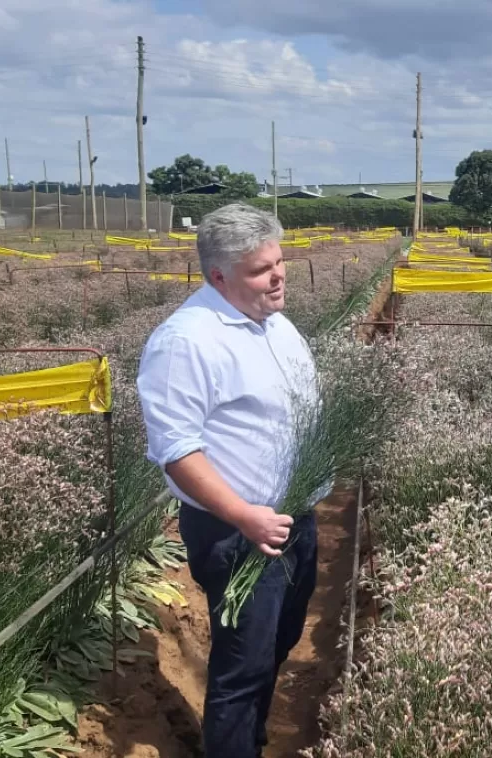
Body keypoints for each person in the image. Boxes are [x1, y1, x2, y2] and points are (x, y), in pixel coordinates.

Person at [137, 203, 323, 758]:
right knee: (241, 669)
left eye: (280, 261)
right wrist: (244, 515)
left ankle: (251, 742)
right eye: (261, 269)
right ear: (218, 276)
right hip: (237, 531)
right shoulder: (187, 341)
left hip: (293, 519)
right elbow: (175, 451)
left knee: (277, 646)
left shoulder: (278, 326)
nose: (278, 275)